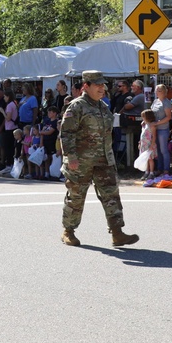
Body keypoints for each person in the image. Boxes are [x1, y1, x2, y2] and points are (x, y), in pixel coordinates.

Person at [59, 70, 140, 248]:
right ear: (86, 86)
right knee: (76, 197)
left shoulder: (103, 107)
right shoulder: (76, 106)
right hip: (81, 162)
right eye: (98, 85)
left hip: (104, 159)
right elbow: (66, 134)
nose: (102, 88)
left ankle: (117, 233)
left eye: (103, 85)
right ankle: (68, 231)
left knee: (111, 195)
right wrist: (71, 157)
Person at [151, 84, 172, 177]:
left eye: (159, 91)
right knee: (158, 150)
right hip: (155, 129)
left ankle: (166, 169)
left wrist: (157, 123)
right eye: (156, 90)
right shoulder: (155, 101)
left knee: (164, 150)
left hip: (163, 129)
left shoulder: (166, 102)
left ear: (164, 92)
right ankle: (159, 168)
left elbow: (168, 117)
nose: (157, 92)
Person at [138, 109, 157, 182]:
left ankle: (151, 172)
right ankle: (146, 171)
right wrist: (140, 143)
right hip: (144, 144)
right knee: (145, 159)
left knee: (150, 159)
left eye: (143, 117)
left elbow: (154, 136)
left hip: (149, 144)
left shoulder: (152, 126)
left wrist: (152, 145)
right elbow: (142, 135)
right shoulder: (144, 125)